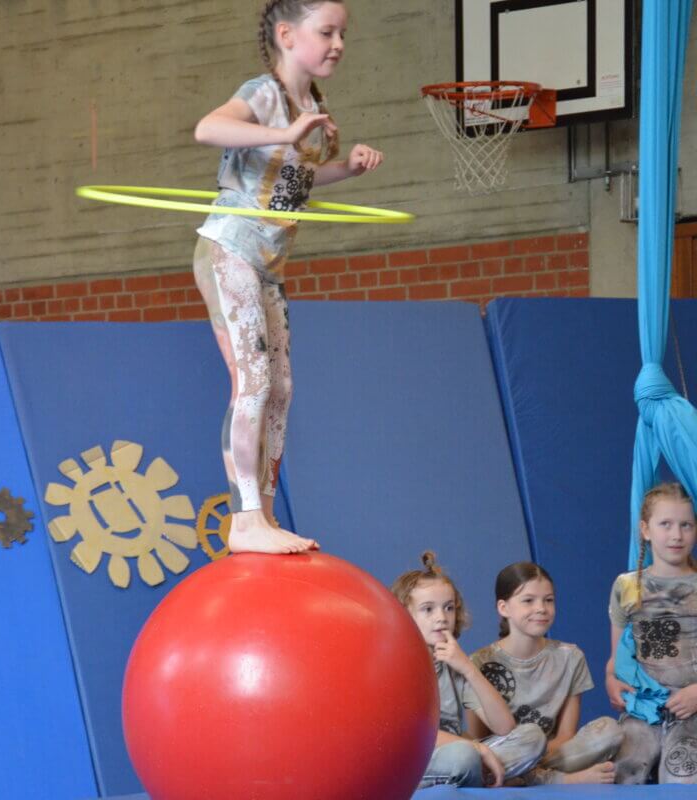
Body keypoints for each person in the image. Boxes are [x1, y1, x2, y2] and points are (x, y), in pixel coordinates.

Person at [192, 0, 383, 555]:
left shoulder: (313, 102)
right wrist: (285, 130)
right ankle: (245, 518)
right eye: (326, 32)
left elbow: (294, 178)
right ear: (286, 34)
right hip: (229, 248)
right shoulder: (265, 93)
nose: (338, 43)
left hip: (269, 264)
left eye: (343, 33)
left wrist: (346, 168)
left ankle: (266, 513)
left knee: (282, 388)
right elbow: (209, 129)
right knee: (252, 381)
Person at [392, 552, 546, 788]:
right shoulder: (399, 665)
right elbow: (410, 734)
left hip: (464, 753)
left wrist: (468, 669)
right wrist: (474, 747)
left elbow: (504, 726)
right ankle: (484, 774)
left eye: (449, 608)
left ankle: (480, 775)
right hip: (415, 760)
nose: (441, 618)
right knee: (463, 756)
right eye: (428, 609)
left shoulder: (454, 663)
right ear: (405, 614)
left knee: (532, 737)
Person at [470, 562, 623, 784]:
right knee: (527, 739)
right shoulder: (479, 662)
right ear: (503, 608)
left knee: (610, 730)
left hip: (550, 754)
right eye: (528, 600)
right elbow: (479, 738)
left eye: (548, 600)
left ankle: (531, 778)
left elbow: (565, 735)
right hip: (507, 756)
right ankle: (562, 781)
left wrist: (535, 756)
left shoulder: (571, 657)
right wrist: (525, 750)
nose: (541, 608)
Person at [606, 481, 697, 784]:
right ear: (645, 529)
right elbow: (618, 655)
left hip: (691, 709)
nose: (676, 535)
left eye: (686, 525)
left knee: (681, 776)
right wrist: (611, 680)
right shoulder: (627, 586)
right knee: (624, 770)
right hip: (645, 711)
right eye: (666, 524)